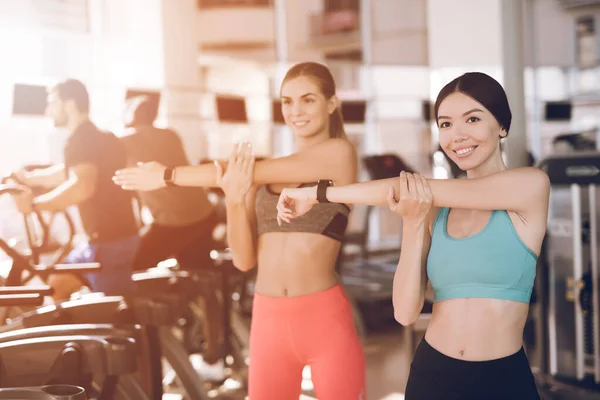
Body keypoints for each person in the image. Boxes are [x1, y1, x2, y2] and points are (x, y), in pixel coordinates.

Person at [274, 72, 549, 400]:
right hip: (433, 376)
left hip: (502, 381)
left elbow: (398, 187)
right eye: (445, 124)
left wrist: (316, 194)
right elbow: (405, 314)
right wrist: (413, 222)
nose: (457, 136)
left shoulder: (530, 186)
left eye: (472, 119)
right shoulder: (434, 207)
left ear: (502, 125)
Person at [113, 62, 366, 400]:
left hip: (323, 318)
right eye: (287, 102)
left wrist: (167, 175)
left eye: (307, 100)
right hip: (268, 320)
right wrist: (234, 199)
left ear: (331, 104)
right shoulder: (258, 179)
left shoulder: (339, 154)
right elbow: (244, 261)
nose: (296, 111)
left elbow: (245, 171)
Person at [119, 95, 224, 380]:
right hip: (202, 216)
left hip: (173, 224)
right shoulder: (170, 134)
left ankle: (147, 350)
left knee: (127, 277)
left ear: (131, 113)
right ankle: (214, 354)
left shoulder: (125, 139)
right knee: (205, 282)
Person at [11, 79, 140, 301]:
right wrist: (30, 179)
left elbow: (82, 186)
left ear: (69, 104)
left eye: (52, 103)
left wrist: (34, 205)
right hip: (121, 236)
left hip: (107, 243)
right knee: (57, 286)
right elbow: (71, 171)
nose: (47, 110)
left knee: (117, 316)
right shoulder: (103, 137)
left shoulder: (80, 140)